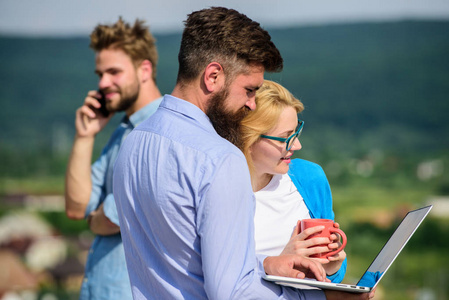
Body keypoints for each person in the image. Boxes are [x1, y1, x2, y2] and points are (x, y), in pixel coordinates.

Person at [114, 7, 375, 300]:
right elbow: (232, 292)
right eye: (249, 89)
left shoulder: (133, 144)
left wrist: (265, 264)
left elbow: (185, 260)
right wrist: (325, 297)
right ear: (212, 76)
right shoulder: (220, 158)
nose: (251, 104)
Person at [64, 17, 162, 300]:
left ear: (144, 69)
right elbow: (76, 207)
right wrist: (85, 136)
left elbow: (113, 217)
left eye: (113, 72)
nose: (103, 82)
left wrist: (95, 219)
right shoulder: (122, 131)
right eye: (99, 74)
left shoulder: (159, 130)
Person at [240, 80, 347, 283]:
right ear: (248, 138)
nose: (297, 145)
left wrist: (332, 267)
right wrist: (278, 262)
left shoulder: (309, 177)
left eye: (296, 132)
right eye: (285, 137)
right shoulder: (218, 192)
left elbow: (333, 277)